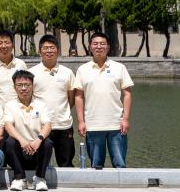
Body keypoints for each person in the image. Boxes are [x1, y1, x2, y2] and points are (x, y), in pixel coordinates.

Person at [73, 32, 134, 169]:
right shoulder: (83, 69)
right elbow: (78, 96)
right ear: (90, 47)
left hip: (116, 125)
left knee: (120, 165)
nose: (99, 47)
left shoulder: (119, 68)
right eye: (95, 44)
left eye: (102, 44)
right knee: (96, 166)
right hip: (93, 125)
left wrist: (125, 119)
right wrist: (81, 121)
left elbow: (127, 94)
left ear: (108, 47)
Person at [30, 34, 76, 167]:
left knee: (66, 163)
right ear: (40, 51)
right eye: (45, 48)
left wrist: (63, 111)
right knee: (39, 164)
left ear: (58, 50)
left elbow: (71, 98)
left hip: (63, 125)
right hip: (40, 126)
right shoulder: (32, 73)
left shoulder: (67, 72)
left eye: (52, 47)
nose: (49, 51)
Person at [3, 70, 53, 191]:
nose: (24, 88)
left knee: (47, 142)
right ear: (14, 87)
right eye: (20, 85)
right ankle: (19, 178)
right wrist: (22, 141)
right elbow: (8, 125)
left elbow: (47, 125)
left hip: (36, 150)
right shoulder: (9, 105)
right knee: (9, 142)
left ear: (32, 86)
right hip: (19, 151)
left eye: (27, 85)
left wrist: (38, 140)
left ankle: (40, 178)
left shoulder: (41, 105)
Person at [0, 29, 27, 105]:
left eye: (7, 42)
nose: (3, 46)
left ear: (13, 45)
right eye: (0, 43)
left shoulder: (21, 64)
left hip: (18, 110)